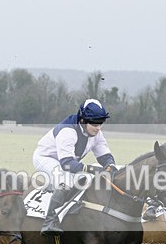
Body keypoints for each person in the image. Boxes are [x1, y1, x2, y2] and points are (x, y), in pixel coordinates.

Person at [33, 99, 116, 236]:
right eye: (95, 124)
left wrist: (110, 166)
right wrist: (90, 169)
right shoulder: (68, 131)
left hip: (67, 162)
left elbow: (104, 155)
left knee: (88, 177)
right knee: (65, 181)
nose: (98, 128)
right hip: (46, 158)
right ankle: (50, 221)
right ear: (83, 120)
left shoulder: (96, 133)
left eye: (101, 123)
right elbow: (66, 164)